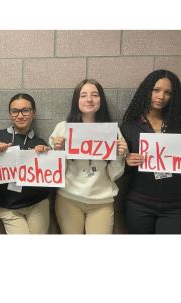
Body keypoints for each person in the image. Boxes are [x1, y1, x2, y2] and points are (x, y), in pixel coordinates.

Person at [120, 69, 181, 234]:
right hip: (139, 203)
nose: (161, 96)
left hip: (175, 205)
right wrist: (127, 161)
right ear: (147, 91)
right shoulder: (129, 127)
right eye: (156, 90)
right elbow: (122, 170)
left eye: (167, 92)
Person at [49, 79, 128, 234]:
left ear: (101, 100)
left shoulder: (113, 131)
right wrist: (58, 152)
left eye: (95, 95)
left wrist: (119, 156)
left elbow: (114, 174)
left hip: (102, 201)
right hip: (69, 199)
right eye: (83, 95)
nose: (89, 99)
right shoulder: (62, 128)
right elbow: (54, 173)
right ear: (76, 100)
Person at [0, 93, 51, 234]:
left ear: (33, 112)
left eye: (25, 110)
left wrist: (46, 155)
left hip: (37, 204)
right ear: (10, 113)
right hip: (8, 206)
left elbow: (49, 176)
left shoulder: (40, 143)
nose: (20, 115)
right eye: (15, 111)